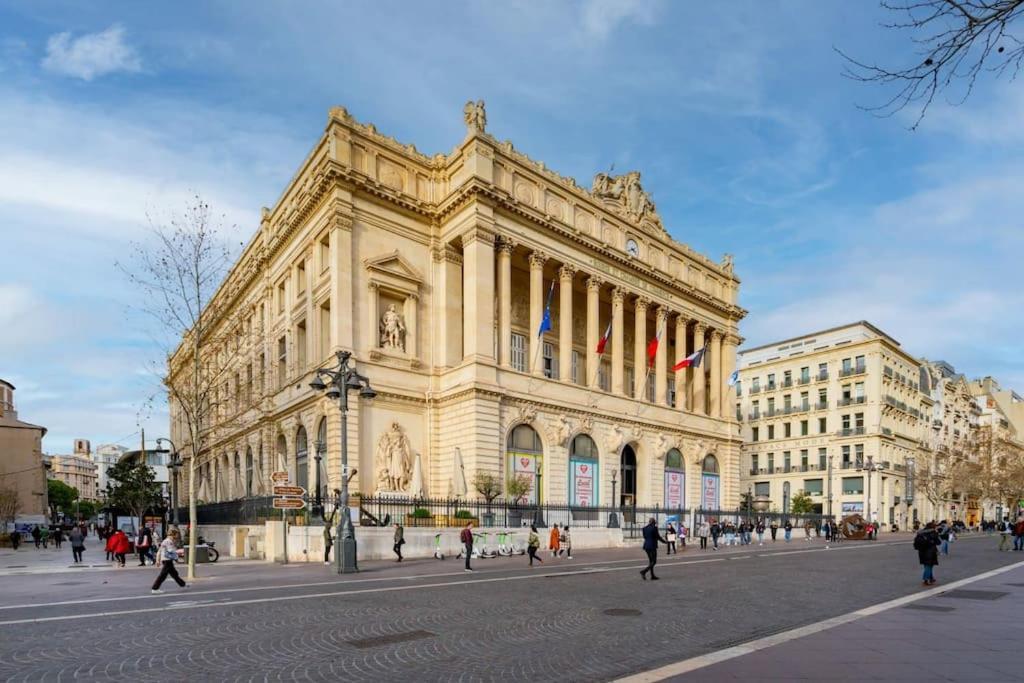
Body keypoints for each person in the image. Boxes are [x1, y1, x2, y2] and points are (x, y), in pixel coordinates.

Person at [151, 528, 188, 593]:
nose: (177, 536)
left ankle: (183, 584)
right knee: (163, 575)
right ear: (173, 534)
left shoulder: (165, 541)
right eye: (176, 534)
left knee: (174, 574)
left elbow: (159, 551)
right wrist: (180, 553)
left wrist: (158, 560)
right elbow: (171, 551)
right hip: (167, 560)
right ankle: (155, 588)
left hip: (166, 560)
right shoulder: (169, 541)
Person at [914, 522, 941, 586]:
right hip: (930, 551)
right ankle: (926, 579)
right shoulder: (933, 532)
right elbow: (938, 542)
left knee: (927, 565)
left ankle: (931, 578)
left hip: (921, 551)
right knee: (929, 565)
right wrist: (936, 533)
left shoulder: (921, 532)